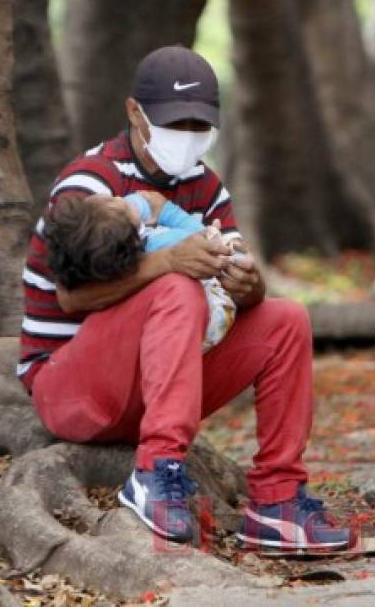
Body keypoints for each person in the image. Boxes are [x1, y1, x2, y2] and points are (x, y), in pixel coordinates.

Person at [19, 45, 352, 551]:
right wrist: (168, 263)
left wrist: (249, 285)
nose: (189, 138)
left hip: (156, 386)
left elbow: (240, 279)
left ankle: (277, 502)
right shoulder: (93, 185)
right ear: (135, 113)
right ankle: (156, 474)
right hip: (72, 387)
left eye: (200, 126)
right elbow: (69, 298)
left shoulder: (205, 186)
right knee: (175, 289)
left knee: (285, 318)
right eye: (177, 123)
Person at [43, 192, 240, 352]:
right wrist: (173, 214)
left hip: (184, 337)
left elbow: (139, 204)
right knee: (182, 285)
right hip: (211, 317)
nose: (121, 197)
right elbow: (202, 242)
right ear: (133, 232)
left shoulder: (105, 245)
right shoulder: (161, 244)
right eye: (114, 200)